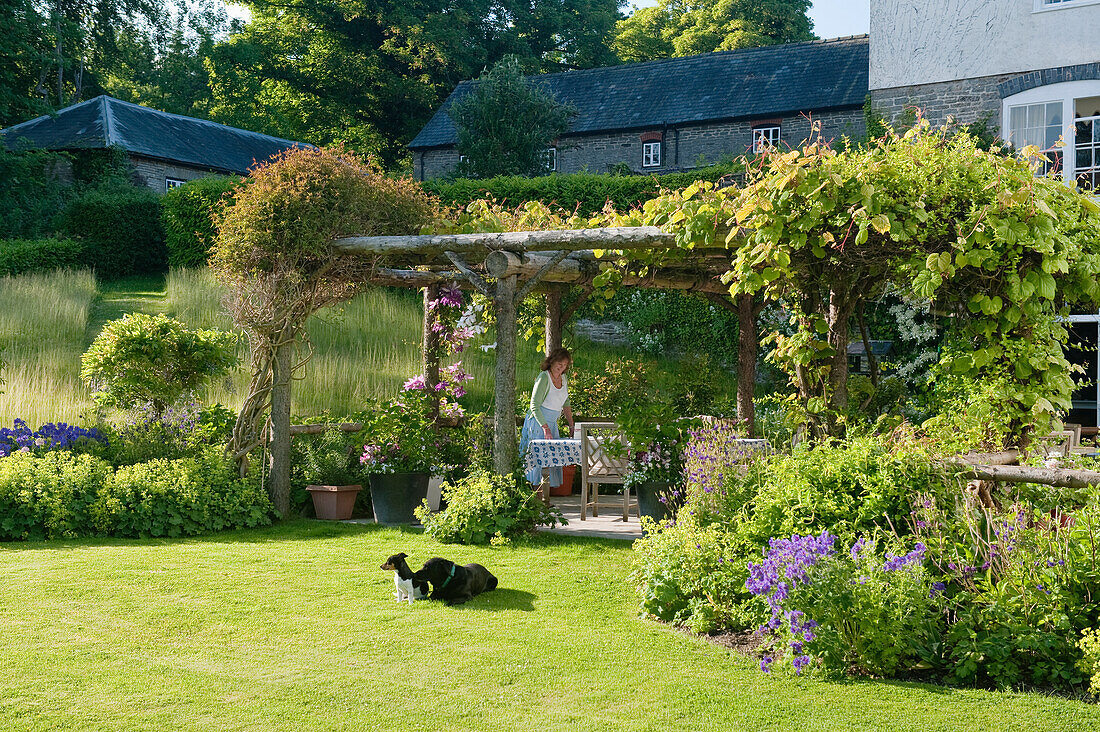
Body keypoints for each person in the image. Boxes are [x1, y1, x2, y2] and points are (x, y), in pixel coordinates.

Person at [518, 347, 575, 488]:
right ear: (552, 361)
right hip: (539, 422)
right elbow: (534, 405)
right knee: (536, 461)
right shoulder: (544, 377)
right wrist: (545, 428)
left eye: (564, 365)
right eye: (559, 364)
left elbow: (566, 403)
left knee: (551, 459)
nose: (561, 367)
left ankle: (546, 500)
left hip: (552, 423)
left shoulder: (563, 378)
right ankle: (535, 500)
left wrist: (571, 425)